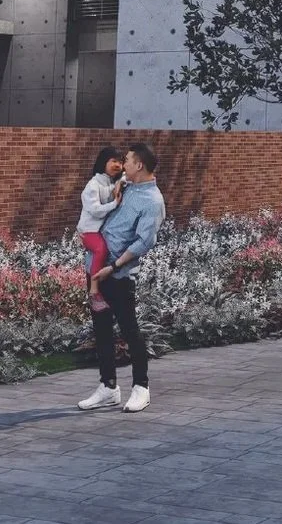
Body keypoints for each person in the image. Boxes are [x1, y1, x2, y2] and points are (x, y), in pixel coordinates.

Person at [79, 143, 164, 413]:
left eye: (126, 160)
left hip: (118, 274)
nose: (122, 165)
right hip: (95, 267)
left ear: (139, 164)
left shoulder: (152, 201)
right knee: (101, 329)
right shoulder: (127, 185)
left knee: (130, 330)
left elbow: (144, 242)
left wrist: (114, 266)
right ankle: (108, 387)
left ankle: (141, 387)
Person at [78, 146, 125, 311]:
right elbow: (95, 210)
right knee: (101, 250)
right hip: (88, 231)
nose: (118, 165)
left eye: (121, 162)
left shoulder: (110, 182)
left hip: (98, 230)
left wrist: (121, 181)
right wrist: (114, 204)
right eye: (114, 161)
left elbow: (126, 176)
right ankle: (94, 291)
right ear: (103, 162)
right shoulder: (93, 185)